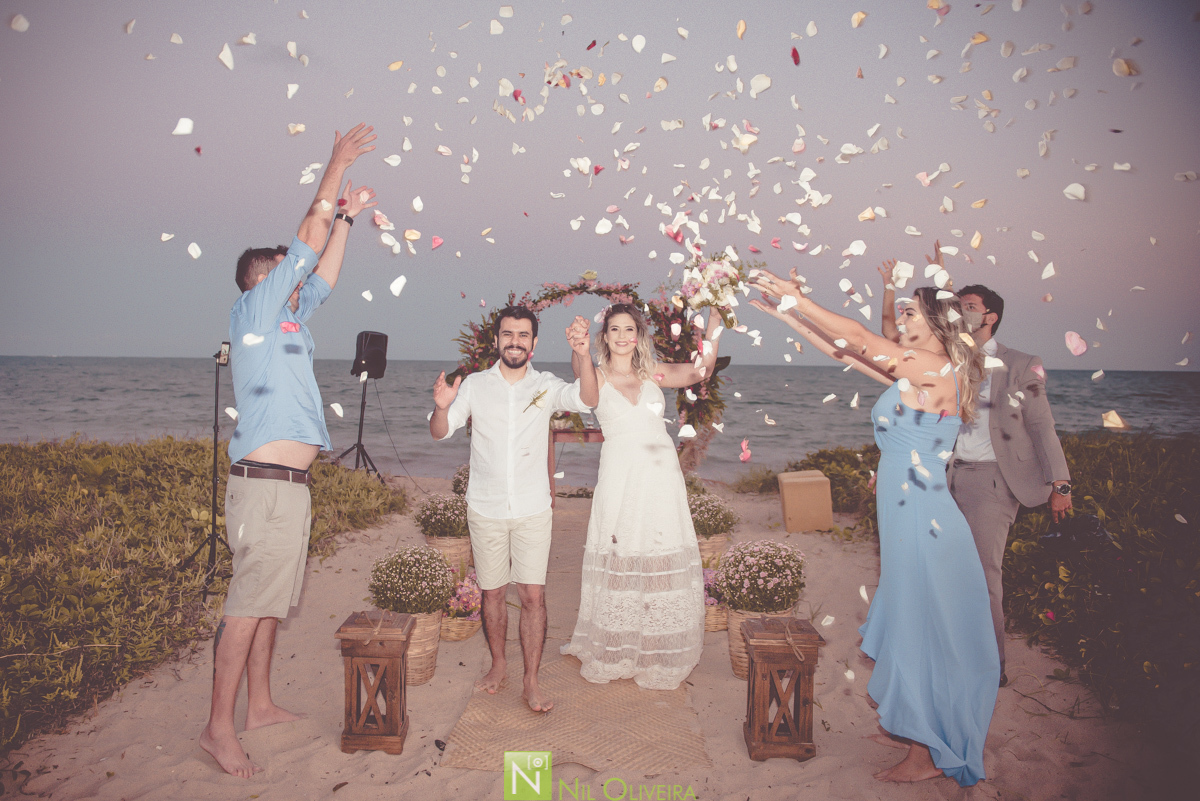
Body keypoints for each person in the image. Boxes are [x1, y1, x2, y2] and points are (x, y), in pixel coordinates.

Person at [750, 271, 998, 786]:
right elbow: (846, 351)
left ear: (937, 323)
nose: (900, 317)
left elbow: (860, 337)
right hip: (908, 512)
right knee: (913, 619)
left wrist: (800, 298)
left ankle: (925, 753)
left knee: (918, 626)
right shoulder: (917, 371)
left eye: (910, 311)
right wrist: (789, 316)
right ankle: (914, 727)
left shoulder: (932, 368)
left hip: (922, 518)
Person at [201, 124, 378, 778]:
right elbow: (309, 231)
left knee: (271, 601)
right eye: (285, 269)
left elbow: (323, 269)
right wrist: (337, 163)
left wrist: (349, 220)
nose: (297, 274)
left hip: (289, 488)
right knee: (248, 605)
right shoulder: (254, 311)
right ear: (261, 280)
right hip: (265, 485)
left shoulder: (291, 318)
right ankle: (218, 727)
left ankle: (260, 706)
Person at [430, 307, 599, 712]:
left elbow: (588, 399)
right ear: (497, 340)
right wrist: (441, 407)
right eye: (508, 334)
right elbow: (440, 432)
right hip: (484, 507)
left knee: (532, 596)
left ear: (534, 342)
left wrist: (583, 353)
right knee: (491, 593)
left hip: (532, 507)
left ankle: (531, 680)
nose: (515, 342)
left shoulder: (546, 385)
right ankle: (499, 665)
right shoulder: (474, 384)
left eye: (523, 335)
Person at [560, 303, 720, 689]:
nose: (621, 335)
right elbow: (582, 380)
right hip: (620, 476)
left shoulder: (653, 373)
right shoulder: (595, 374)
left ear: (638, 336)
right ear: (604, 337)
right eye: (614, 329)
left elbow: (701, 370)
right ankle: (617, 643)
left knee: (658, 546)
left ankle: (657, 645)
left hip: (661, 475)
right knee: (624, 548)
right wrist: (579, 349)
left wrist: (715, 323)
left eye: (628, 328)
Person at [950, 284, 1072, 687]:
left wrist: (1061, 484)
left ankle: (991, 668)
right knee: (946, 571)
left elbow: (1041, 424)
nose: (961, 312)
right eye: (958, 306)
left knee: (983, 575)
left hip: (992, 482)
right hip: (946, 477)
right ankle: (953, 655)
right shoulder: (949, 357)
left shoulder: (1022, 363)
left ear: (990, 317)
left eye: (969, 306)